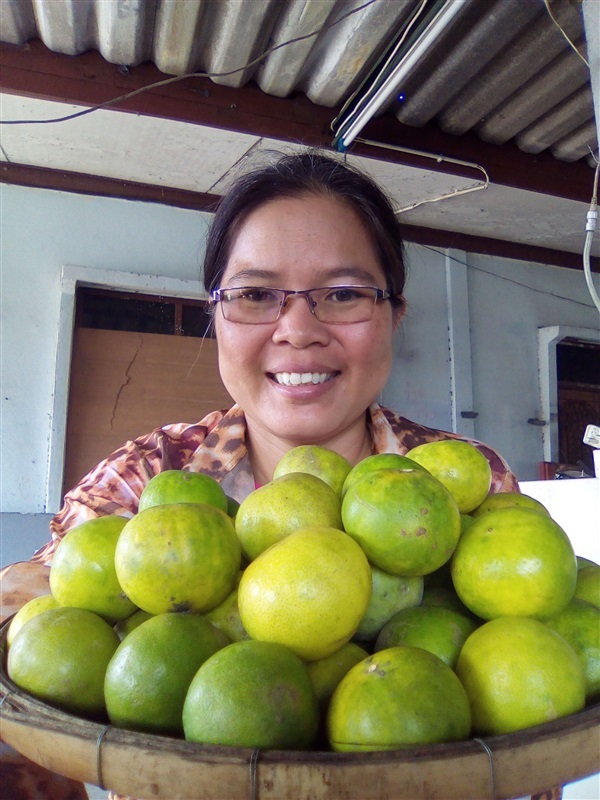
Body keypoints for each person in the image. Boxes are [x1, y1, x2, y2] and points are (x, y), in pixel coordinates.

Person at [1, 151, 560, 800]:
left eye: (344, 293)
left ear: (395, 314)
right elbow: (40, 603)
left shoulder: (463, 481)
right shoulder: (152, 471)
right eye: (256, 295)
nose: (298, 330)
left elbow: (528, 709)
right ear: (216, 316)